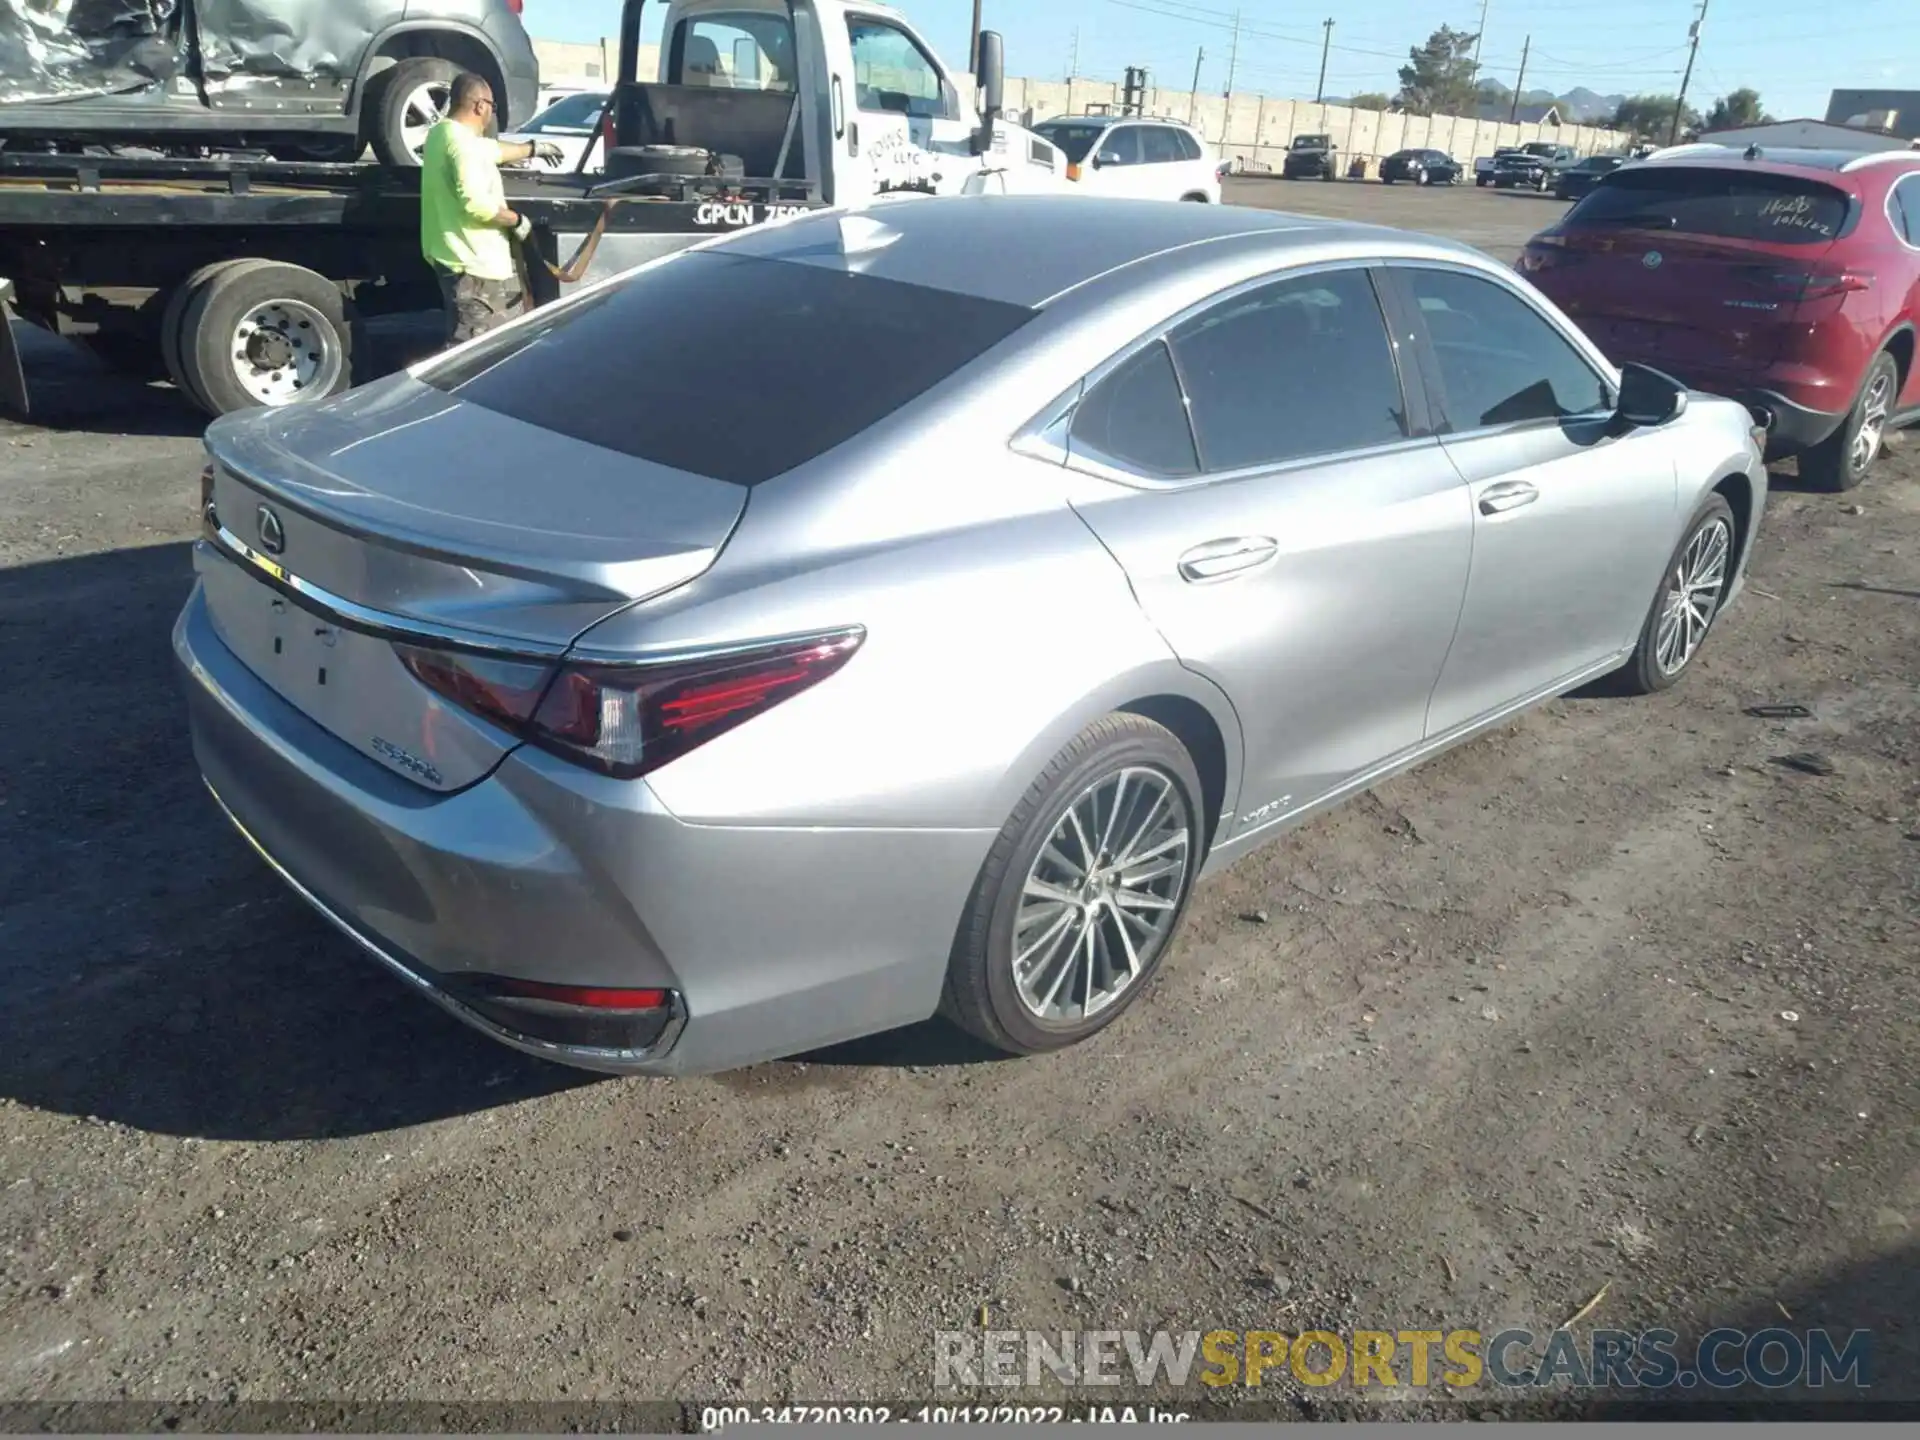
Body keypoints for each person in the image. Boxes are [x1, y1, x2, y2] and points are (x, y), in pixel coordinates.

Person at [420, 72, 562, 346]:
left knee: (469, 345)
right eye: (492, 108)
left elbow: (492, 150)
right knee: (477, 355)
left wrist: (533, 148)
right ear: (480, 105)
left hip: (453, 258)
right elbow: (476, 204)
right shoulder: (463, 146)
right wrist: (516, 220)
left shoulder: (441, 134)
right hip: (475, 270)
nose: (490, 115)